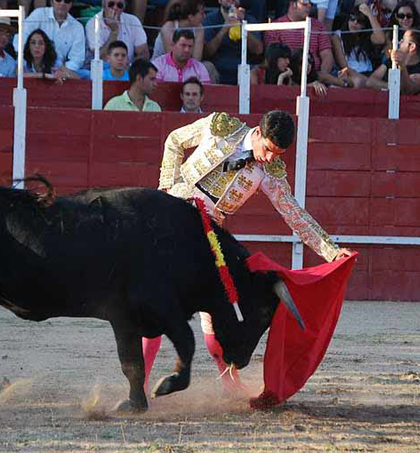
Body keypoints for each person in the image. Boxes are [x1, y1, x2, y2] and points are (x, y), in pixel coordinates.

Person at [142, 110, 352, 394]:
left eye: (277, 154)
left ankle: (230, 382)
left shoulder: (269, 172)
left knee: (217, 307)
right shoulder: (220, 128)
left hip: (209, 234)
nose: (268, 159)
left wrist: (331, 251)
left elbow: (294, 215)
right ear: (258, 133)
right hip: (173, 217)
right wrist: (165, 189)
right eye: (267, 149)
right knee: (154, 297)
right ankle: (139, 383)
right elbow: (174, 140)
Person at [265, 0, 334, 81]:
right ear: (293, 3)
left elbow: (327, 55)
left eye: (310, 3)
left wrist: (320, 76)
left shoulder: (319, 26)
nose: (309, 6)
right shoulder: (275, 27)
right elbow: (273, 59)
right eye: (305, 3)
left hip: (316, 78)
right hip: (287, 77)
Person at [15, 0, 85, 76]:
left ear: (71, 4)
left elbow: (77, 59)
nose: (62, 3)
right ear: (51, 2)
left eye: (67, 1)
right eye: (58, 0)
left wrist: (61, 71)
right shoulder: (38, 15)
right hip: (32, 66)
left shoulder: (77, 27)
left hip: (60, 70)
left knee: (89, 75)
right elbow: (20, 40)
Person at [202, 0, 263, 85]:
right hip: (217, 66)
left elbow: (258, 50)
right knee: (206, 67)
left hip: (242, 65)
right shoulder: (210, 20)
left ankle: (249, 98)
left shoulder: (249, 19)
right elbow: (206, 52)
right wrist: (224, 28)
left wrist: (242, 26)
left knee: (251, 72)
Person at [331, 4, 385, 89]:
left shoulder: (366, 36)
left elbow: (381, 39)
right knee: (358, 82)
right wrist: (365, 80)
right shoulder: (337, 36)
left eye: (360, 21)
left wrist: (370, 15)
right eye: (352, 18)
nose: (355, 22)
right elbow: (344, 66)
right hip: (350, 74)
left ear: (364, 25)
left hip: (369, 73)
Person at [367, 28, 420, 94]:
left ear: (412, 47)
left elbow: (407, 91)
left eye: (403, 40)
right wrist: (392, 86)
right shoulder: (392, 61)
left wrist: (401, 66)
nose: (399, 42)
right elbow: (370, 82)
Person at [84, 0, 148, 63]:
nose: (115, 7)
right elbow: (100, 58)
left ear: (123, 7)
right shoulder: (93, 23)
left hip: (129, 68)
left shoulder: (133, 20)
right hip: (103, 69)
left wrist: (131, 67)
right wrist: (114, 32)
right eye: (111, 4)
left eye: (119, 5)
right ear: (103, 5)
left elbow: (144, 53)